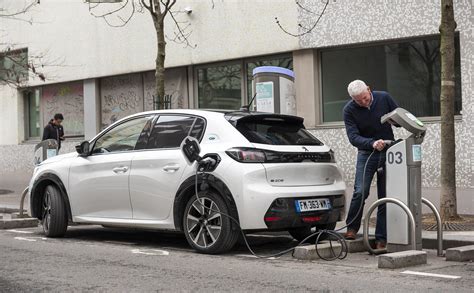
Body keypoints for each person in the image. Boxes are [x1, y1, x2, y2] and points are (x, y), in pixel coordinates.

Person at [342, 80, 398, 250]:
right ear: (353, 99)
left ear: (369, 90)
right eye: (359, 101)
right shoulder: (349, 110)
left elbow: (399, 117)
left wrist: (395, 120)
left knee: (385, 196)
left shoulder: (384, 98)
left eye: (365, 98)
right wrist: (372, 143)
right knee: (360, 191)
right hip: (367, 153)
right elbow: (353, 137)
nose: (364, 103)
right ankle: (352, 228)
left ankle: (382, 237)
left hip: (389, 151)